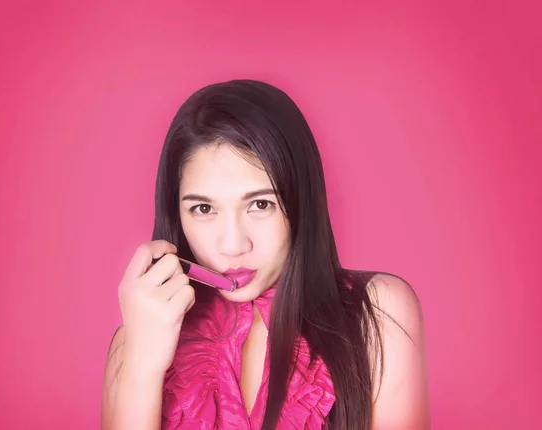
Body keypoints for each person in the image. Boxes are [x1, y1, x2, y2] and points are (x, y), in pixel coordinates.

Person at [101, 79, 430, 429]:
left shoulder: (378, 313)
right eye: (203, 209)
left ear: (301, 200)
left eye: (260, 204)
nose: (232, 245)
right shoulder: (135, 341)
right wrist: (141, 364)